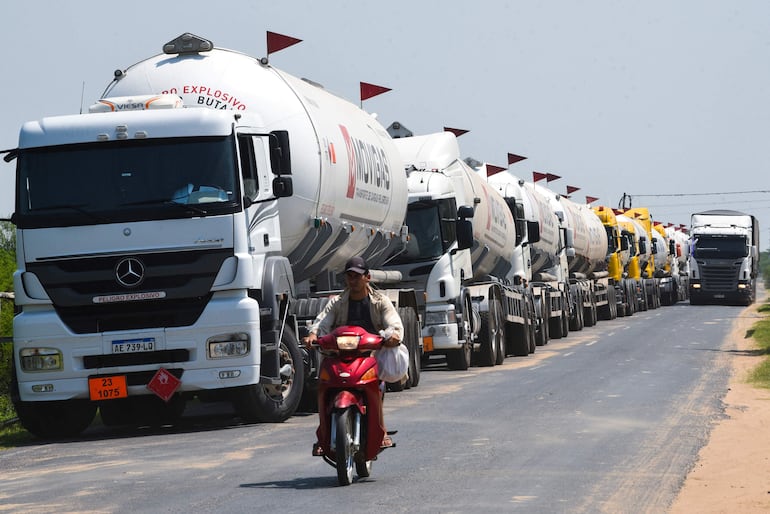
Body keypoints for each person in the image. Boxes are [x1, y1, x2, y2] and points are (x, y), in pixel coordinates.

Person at [304, 256, 403, 449]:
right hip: (339, 354)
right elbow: (322, 322)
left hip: (369, 354)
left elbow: (394, 324)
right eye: (349, 276)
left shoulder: (380, 301)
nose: (353, 280)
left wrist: (393, 336)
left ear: (367, 277)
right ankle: (323, 434)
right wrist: (313, 336)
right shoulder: (337, 302)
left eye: (357, 276)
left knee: (377, 386)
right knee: (324, 384)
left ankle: (381, 430)